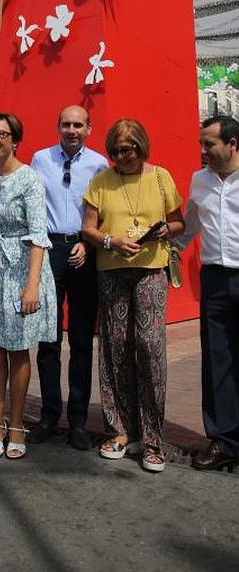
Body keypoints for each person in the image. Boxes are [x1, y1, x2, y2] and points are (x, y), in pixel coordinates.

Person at [82, 119, 185, 473]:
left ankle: (153, 437)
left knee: (150, 347)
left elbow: (179, 222)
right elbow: (88, 228)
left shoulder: (160, 177)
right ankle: (120, 430)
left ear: (141, 146)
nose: (121, 157)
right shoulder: (100, 181)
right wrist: (111, 241)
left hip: (151, 270)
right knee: (114, 348)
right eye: (115, 151)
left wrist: (160, 231)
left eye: (127, 150)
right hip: (111, 270)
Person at [0, 113, 57, 459]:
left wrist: (32, 286)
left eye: (1, 133)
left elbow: (38, 235)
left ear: (15, 139)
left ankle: (16, 423)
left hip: (22, 269)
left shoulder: (29, 178)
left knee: (18, 349)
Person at [28, 105, 108, 450]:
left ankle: (77, 421)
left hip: (83, 252)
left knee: (79, 339)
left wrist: (88, 245)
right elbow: (31, 206)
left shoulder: (100, 164)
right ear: (57, 127)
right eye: (66, 124)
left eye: (78, 125)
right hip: (48, 251)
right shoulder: (40, 159)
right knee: (47, 340)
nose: (72, 130)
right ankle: (48, 415)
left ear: (88, 128)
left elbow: (106, 213)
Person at [175, 115, 239, 472]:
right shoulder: (199, 180)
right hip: (214, 280)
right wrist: (162, 250)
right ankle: (223, 441)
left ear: (232, 143)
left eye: (209, 144)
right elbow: (189, 227)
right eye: (201, 143)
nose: (202, 151)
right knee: (217, 362)